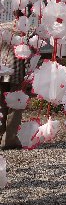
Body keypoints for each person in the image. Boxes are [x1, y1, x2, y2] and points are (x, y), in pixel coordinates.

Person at [0, 15, 26, 149]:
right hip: (16, 71)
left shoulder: (2, 27)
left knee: (2, 105)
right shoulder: (22, 29)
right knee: (15, 105)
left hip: (2, 69)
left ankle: (2, 136)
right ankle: (9, 139)